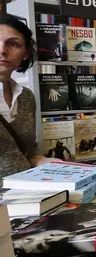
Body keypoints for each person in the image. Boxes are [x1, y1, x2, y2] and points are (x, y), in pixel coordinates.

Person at [0, 14, 53, 177]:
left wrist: (49, 163)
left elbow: (29, 153)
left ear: (25, 53)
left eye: (13, 44)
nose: (2, 50)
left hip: (25, 189)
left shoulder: (26, 97)